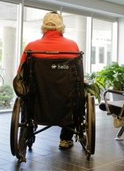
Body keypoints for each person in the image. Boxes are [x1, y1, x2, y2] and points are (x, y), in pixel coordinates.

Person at [17, 11, 79, 149]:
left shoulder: (31, 48)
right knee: (77, 96)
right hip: (66, 102)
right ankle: (65, 138)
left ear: (43, 27)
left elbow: (20, 74)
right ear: (61, 27)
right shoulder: (72, 47)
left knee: (27, 96)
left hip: (38, 102)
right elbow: (78, 77)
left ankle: (27, 134)